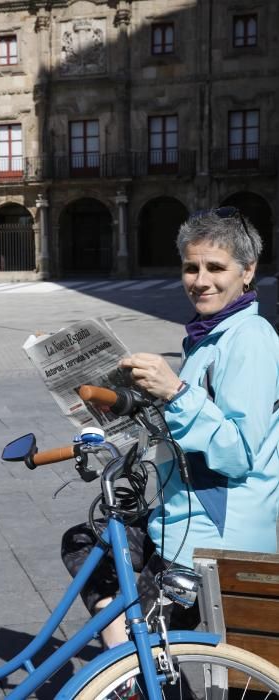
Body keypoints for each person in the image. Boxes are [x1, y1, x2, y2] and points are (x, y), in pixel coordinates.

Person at [62, 207, 279, 648]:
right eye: (190, 267)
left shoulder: (250, 338)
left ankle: (131, 670)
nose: (200, 280)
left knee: (140, 649)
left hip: (212, 537)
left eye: (216, 267)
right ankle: (131, 663)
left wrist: (177, 392)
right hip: (180, 517)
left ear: (248, 271)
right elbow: (197, 423)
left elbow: (237, 453)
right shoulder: (211, 336)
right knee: (86, 542)